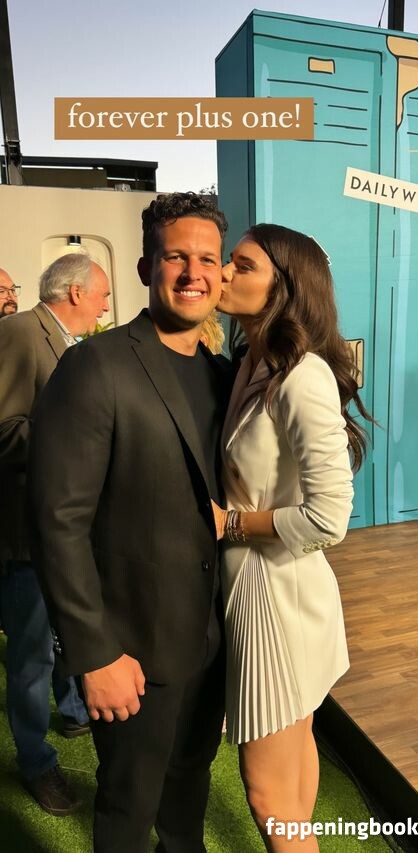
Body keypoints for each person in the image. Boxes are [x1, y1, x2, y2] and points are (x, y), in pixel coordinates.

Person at [27, 192, 232, 852]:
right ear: (146, 267)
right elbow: (57, 520)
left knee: (187, 797)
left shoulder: (224, 375)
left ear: (223, 271)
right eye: (176, 256)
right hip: (132, 652)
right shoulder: (96, 365)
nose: (193, 272)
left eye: (208, 259)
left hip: (212, 643)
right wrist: (94, 653)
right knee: (128, 807)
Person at [213, 223, 371, 851]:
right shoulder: (254, 361)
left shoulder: (303, 375)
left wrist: (229, 522)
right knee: (295, 762)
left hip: (274, 599)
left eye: (242, 265)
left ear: (285, 287)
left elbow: (330, 517)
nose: (224, 272)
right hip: (271, 589)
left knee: (268, 795)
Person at [0, 253, 110, 816]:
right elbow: (4, 430)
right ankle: (36, 763)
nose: (106, 307)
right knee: (30, 657)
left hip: (63, 530)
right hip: (26, 534)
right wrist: (75, 432)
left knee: (64, 632)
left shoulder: (68, 342)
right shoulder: (22, 332)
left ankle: (72, 712)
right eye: (102, 295)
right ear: (75, 292)